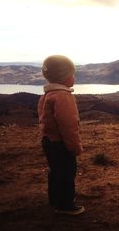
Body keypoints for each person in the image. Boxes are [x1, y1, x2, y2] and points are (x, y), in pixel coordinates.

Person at [38, 55, 85, 215]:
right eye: (72, 74)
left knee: (55, 172)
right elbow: (68, 126)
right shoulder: (63, 97)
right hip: (61, 144)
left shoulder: (46, 96)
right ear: (65, 77)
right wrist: (75, 147)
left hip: (49, 142)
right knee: (67, 173)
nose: (74, 77)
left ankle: (55, 199)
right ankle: (66, 205)